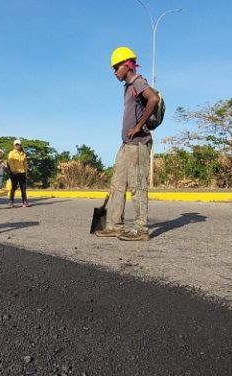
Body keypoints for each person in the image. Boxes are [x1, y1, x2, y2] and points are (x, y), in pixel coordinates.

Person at [95, 47, 159, 241]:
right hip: (126, 144)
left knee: (137, 185)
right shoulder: (128, 86)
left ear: (127, 65)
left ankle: (141, 229)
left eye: (116, 68)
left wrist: (139, 126)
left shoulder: (138, 81)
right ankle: (115, 225)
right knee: (117, 184)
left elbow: (153, 99)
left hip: (138, 143)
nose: (115, 72)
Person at [6, 139, 29, 208]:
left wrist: (26, 172)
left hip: (22, 172)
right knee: (14, 187)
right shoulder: (11, 153)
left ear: (20, 145)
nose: (17, 146)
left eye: (18, 145)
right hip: (14, 172)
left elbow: (25, 164)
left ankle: (24, 201)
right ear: (14, 145)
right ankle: (11, 201)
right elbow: (11, 162)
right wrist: (13, 170)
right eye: (16, 145)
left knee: (23, 188)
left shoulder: (23, 154)